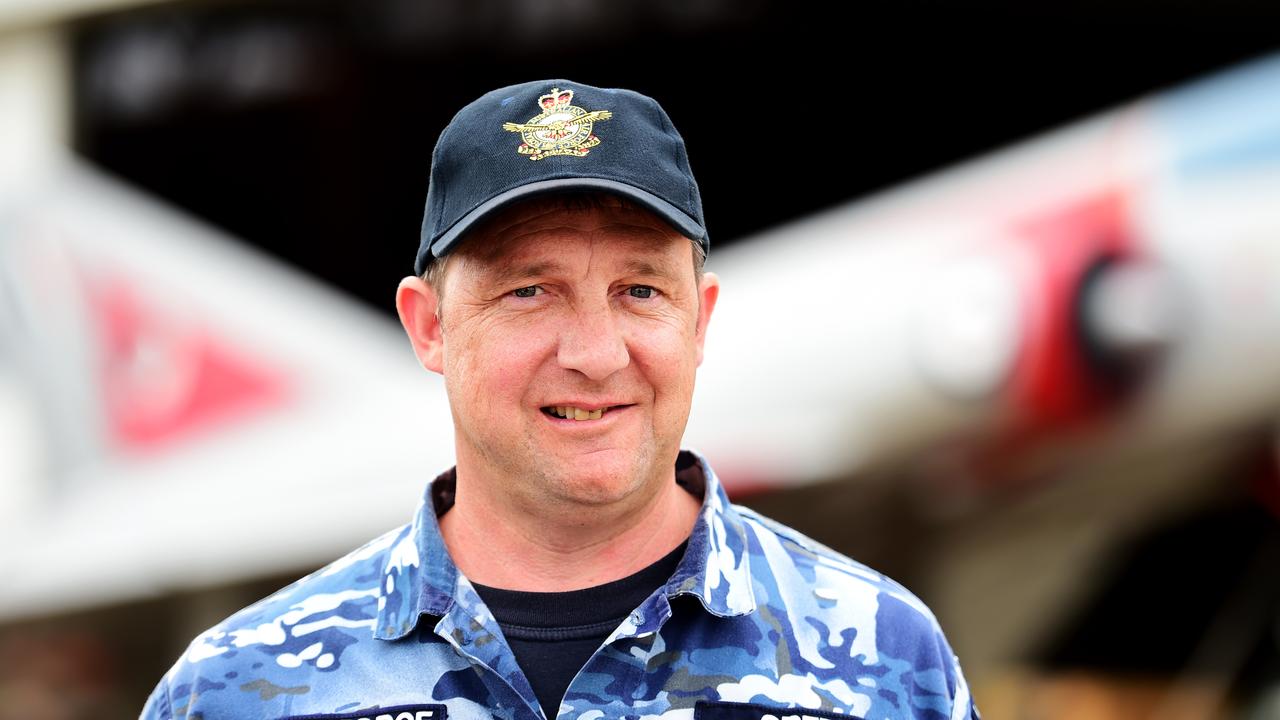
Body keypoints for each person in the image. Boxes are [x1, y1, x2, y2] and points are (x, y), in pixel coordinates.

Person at [141, 80, 979, 720]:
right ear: (428, 326)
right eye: (530, 292)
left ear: (701, 321)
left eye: (641, 290)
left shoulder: (891, 664)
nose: (594, 354)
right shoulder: (232, 690)